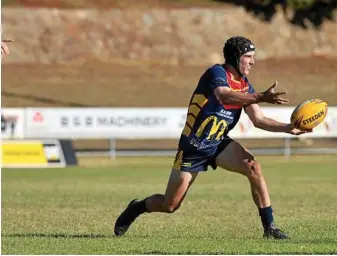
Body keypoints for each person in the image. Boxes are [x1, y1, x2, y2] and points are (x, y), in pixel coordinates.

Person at [114, 36, 310, 239]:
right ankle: (136, 208)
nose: (252, 62)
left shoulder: (245, 85)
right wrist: (261, 96)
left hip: (218, 144)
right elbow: (224, 96)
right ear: (235, 57)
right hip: (194, 147)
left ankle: (269, 228)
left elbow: (258, 119)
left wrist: (288, 128)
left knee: (253, 167)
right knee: (170, 205)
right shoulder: (216, 73)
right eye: (248, 57)